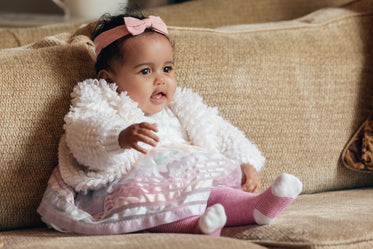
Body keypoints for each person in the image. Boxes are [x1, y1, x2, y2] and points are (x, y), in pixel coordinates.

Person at [37, 12, 302, 236]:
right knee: (158, 201)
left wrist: (245, 162)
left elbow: (219, 131)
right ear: (108, 80)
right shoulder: (101, 99)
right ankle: (198, 228)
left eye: (167, 69)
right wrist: (119, 137)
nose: (160, 79)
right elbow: (85, 130)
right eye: (145, 71)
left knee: (213, 189)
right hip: (132, 179)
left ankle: (256, 207)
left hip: (185, 175)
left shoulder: (182, 106)